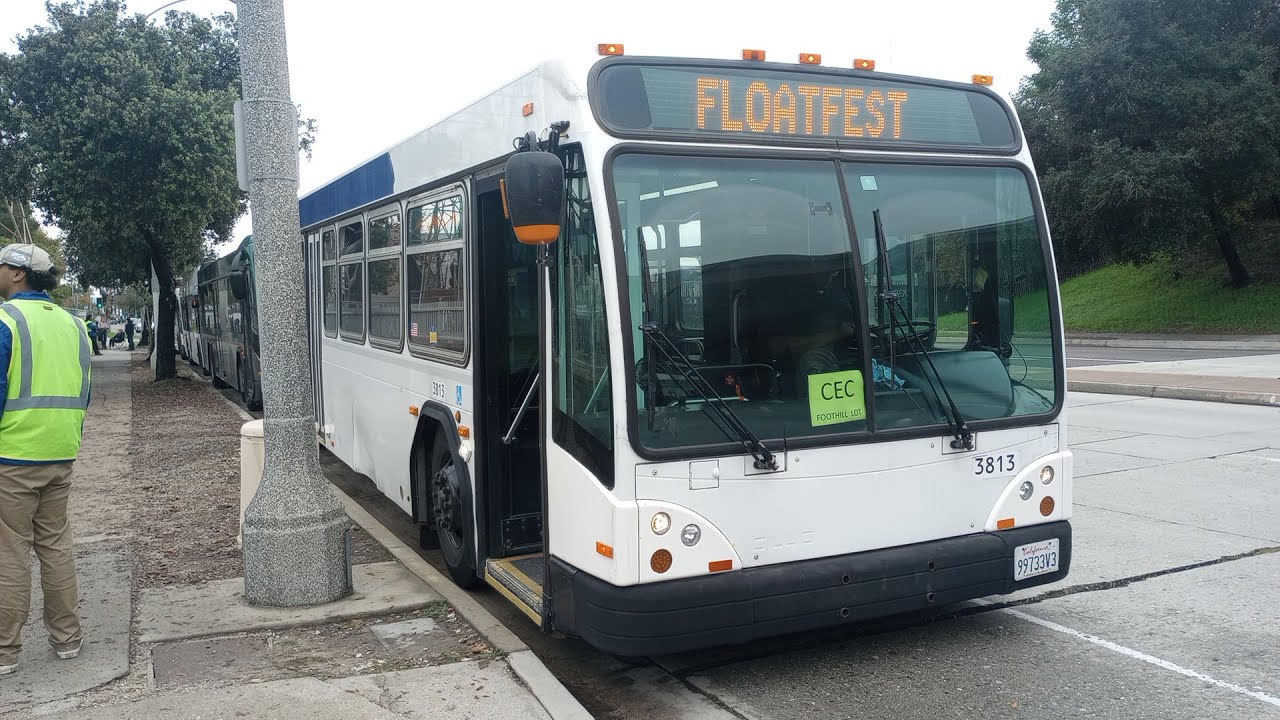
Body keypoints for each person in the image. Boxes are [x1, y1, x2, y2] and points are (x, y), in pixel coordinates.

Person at [0, 243, 90, 676]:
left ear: (18, 273)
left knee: (10, 553)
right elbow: (84, 390)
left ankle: (5, 650)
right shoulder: (75, 325)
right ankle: (68, 639)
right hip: (61, 451)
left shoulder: (7, 321)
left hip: (12, 454)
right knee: (55, 546)